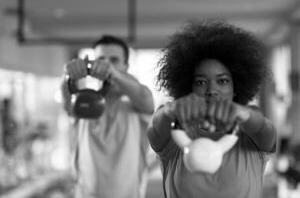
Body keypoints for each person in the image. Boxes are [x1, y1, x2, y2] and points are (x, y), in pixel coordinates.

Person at [147, 20, 277, 198]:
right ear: (189, 88)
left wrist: (244, 113)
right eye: (201, 82)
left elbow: (263, 127)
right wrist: (171, 110)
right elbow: (154, 128)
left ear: (235, 88)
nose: (211, 90)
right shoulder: (174, 132)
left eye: (222, 81)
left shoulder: (250, 132)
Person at [61, 35, 154, 198]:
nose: (106, 64)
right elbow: (67, 100)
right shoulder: (83, 102)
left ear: (126, 65)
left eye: (114, 60)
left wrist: (113, 74)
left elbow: (146, 100)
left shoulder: (133, 105)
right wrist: (68, 77)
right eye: (101, 59)